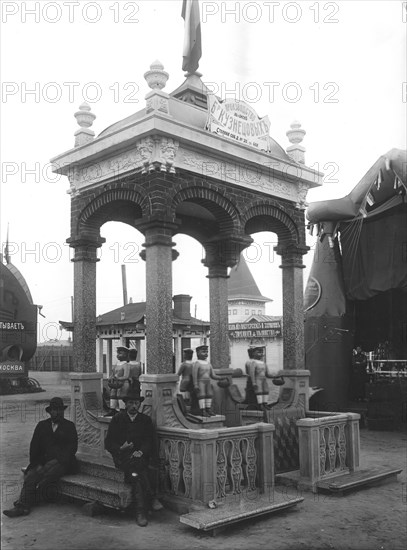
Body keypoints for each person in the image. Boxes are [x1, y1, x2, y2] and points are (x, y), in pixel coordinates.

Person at [3, 397, 78, 518]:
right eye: (54, 410)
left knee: (46, 477)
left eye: (60, 410)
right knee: (31, 475)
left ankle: (23, 504)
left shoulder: (69, 426)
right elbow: (34, 448)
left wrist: (55, 461)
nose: (57, 412)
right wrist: (37, 464)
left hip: (63, 463)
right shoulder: (42, 426)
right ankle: (22, 507)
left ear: (63, 411)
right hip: (44, 461)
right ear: (49, 412)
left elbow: (71, 449)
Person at [104, 389, 163, 527]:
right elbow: (108, 442)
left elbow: (149, 441)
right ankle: (151, 498)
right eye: (131, 403)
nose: (134, 406)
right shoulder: (117, 419)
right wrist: (120, 448)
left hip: (139, 458)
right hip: (122, 457)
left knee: (136, 475)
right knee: (137, 470)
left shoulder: (145, 420)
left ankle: (140, 512)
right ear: (125, 404)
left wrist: (141, 451)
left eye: (136, 403)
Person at [192, 345, 227, 417]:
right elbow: (194, 375)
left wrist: (221, 378)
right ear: (198, 353)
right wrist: (195, 384)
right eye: (203, 352)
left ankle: (208, 409)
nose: (206, 354)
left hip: (208, 382)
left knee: (209, 394)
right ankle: (203, 410)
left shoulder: (209, 364)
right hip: (200, 382)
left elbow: (213, 375)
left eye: (207, 352)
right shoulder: (197, 363)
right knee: (202, 395)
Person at [245, 346, 282, 410]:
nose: (261, 354)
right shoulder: (253, 362)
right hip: (257, 379)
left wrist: (275, 376)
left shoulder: (264, 363)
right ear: (254, 353)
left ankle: (265, 404)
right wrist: (253, 382)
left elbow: (268, 374)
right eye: (258, 352)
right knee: (259, 391)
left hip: (264, 379)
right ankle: (260, 405)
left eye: (262, 352)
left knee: (266, 390)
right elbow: (252, 373)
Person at [105, 346, 130, 416]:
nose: (118, 355)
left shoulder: (126, 365)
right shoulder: (116, 364)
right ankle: (112, 409)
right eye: (118, 353)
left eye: (120, 353)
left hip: (123, 383)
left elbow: (126, 376)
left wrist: (118, 378)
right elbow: (113, 373)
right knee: (113, 395)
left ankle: (122, 409)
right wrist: (111, 378)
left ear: (125, 355)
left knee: (120, 396)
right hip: (115, 383)